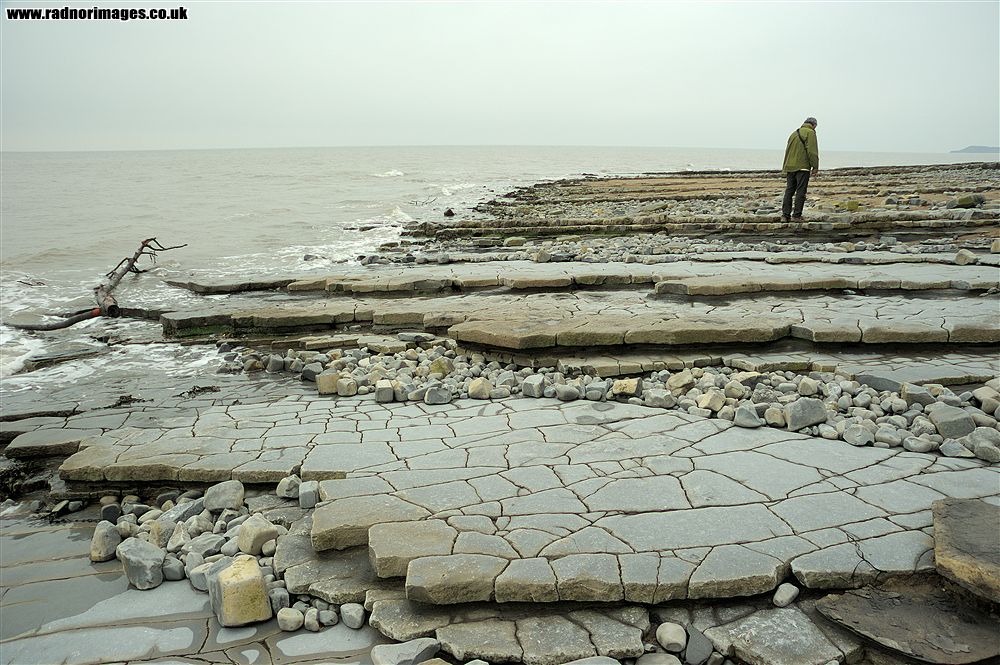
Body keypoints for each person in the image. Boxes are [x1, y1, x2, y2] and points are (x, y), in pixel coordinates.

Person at [781, 117, 819, 221]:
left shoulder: (793, 133)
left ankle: (785, 215)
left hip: (790, 167)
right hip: (802, 167)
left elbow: (788, 151)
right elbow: (812, 151)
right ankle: (796, 215)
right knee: (801, 191)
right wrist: (815, 166)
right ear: (814, 125)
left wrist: (785, 166)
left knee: (789, 191)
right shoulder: (810, 133)